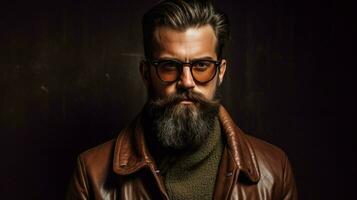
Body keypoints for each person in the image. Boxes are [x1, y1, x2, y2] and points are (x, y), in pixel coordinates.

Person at [66, 0, 298, 199]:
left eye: (201, 66)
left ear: (221, 72)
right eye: (169, 66)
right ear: (146, 74)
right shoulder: (92, 175)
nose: (187, 81)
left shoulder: (274, 171)